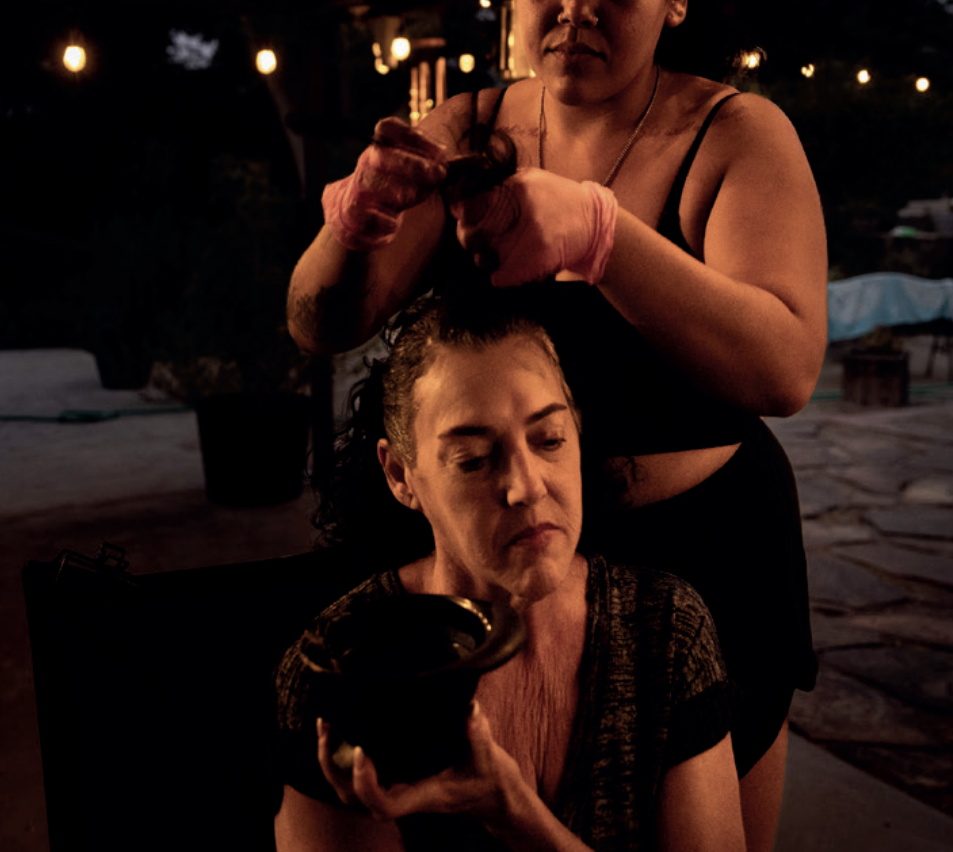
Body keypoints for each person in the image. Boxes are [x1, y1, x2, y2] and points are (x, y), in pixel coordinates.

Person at [289, 0, 827, 851]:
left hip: (708, 549)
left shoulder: (734, 131)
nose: (577, 5)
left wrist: (603, 235)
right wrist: (350, 226)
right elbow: (319, 323)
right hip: (510, 548)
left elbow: (787, 364)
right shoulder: (469, 122)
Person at [275, 296, 746, 852]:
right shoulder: (344, 669)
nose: (527, 486)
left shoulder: (665, 630)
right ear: (402, 476)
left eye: (549, 440)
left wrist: (513, 814)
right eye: (474, 459)